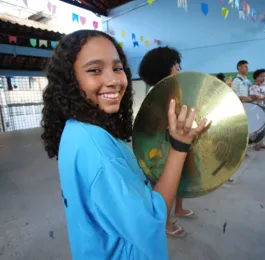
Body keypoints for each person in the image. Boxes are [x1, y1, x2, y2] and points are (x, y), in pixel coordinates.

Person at [41, 30, 206, 259]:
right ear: (70, 79)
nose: (114, 80)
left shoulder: (76, 129)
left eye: (117, 68)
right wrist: (179, 147)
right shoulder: (98, 152)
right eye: (94, 70)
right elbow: (151, 220)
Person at [138, 47, 196, 238]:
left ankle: (179, 208)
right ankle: (166, 222)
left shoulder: (174, 89)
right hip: (163, 145)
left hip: (179, 140)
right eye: (174, 64)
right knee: (166, 181)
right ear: (165, 68)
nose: (178, 68)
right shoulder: (159, 94)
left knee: (182, 175)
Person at [249, 69, 265, 151]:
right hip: (256, 109)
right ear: (256, 77)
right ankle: (256, 144)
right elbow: (257, 98)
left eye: (264, 76)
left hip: (264, 108)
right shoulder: (254, 87)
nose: (263, 78)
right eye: (261, 76)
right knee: (258, 127)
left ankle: (261, 143)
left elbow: (263, 97)